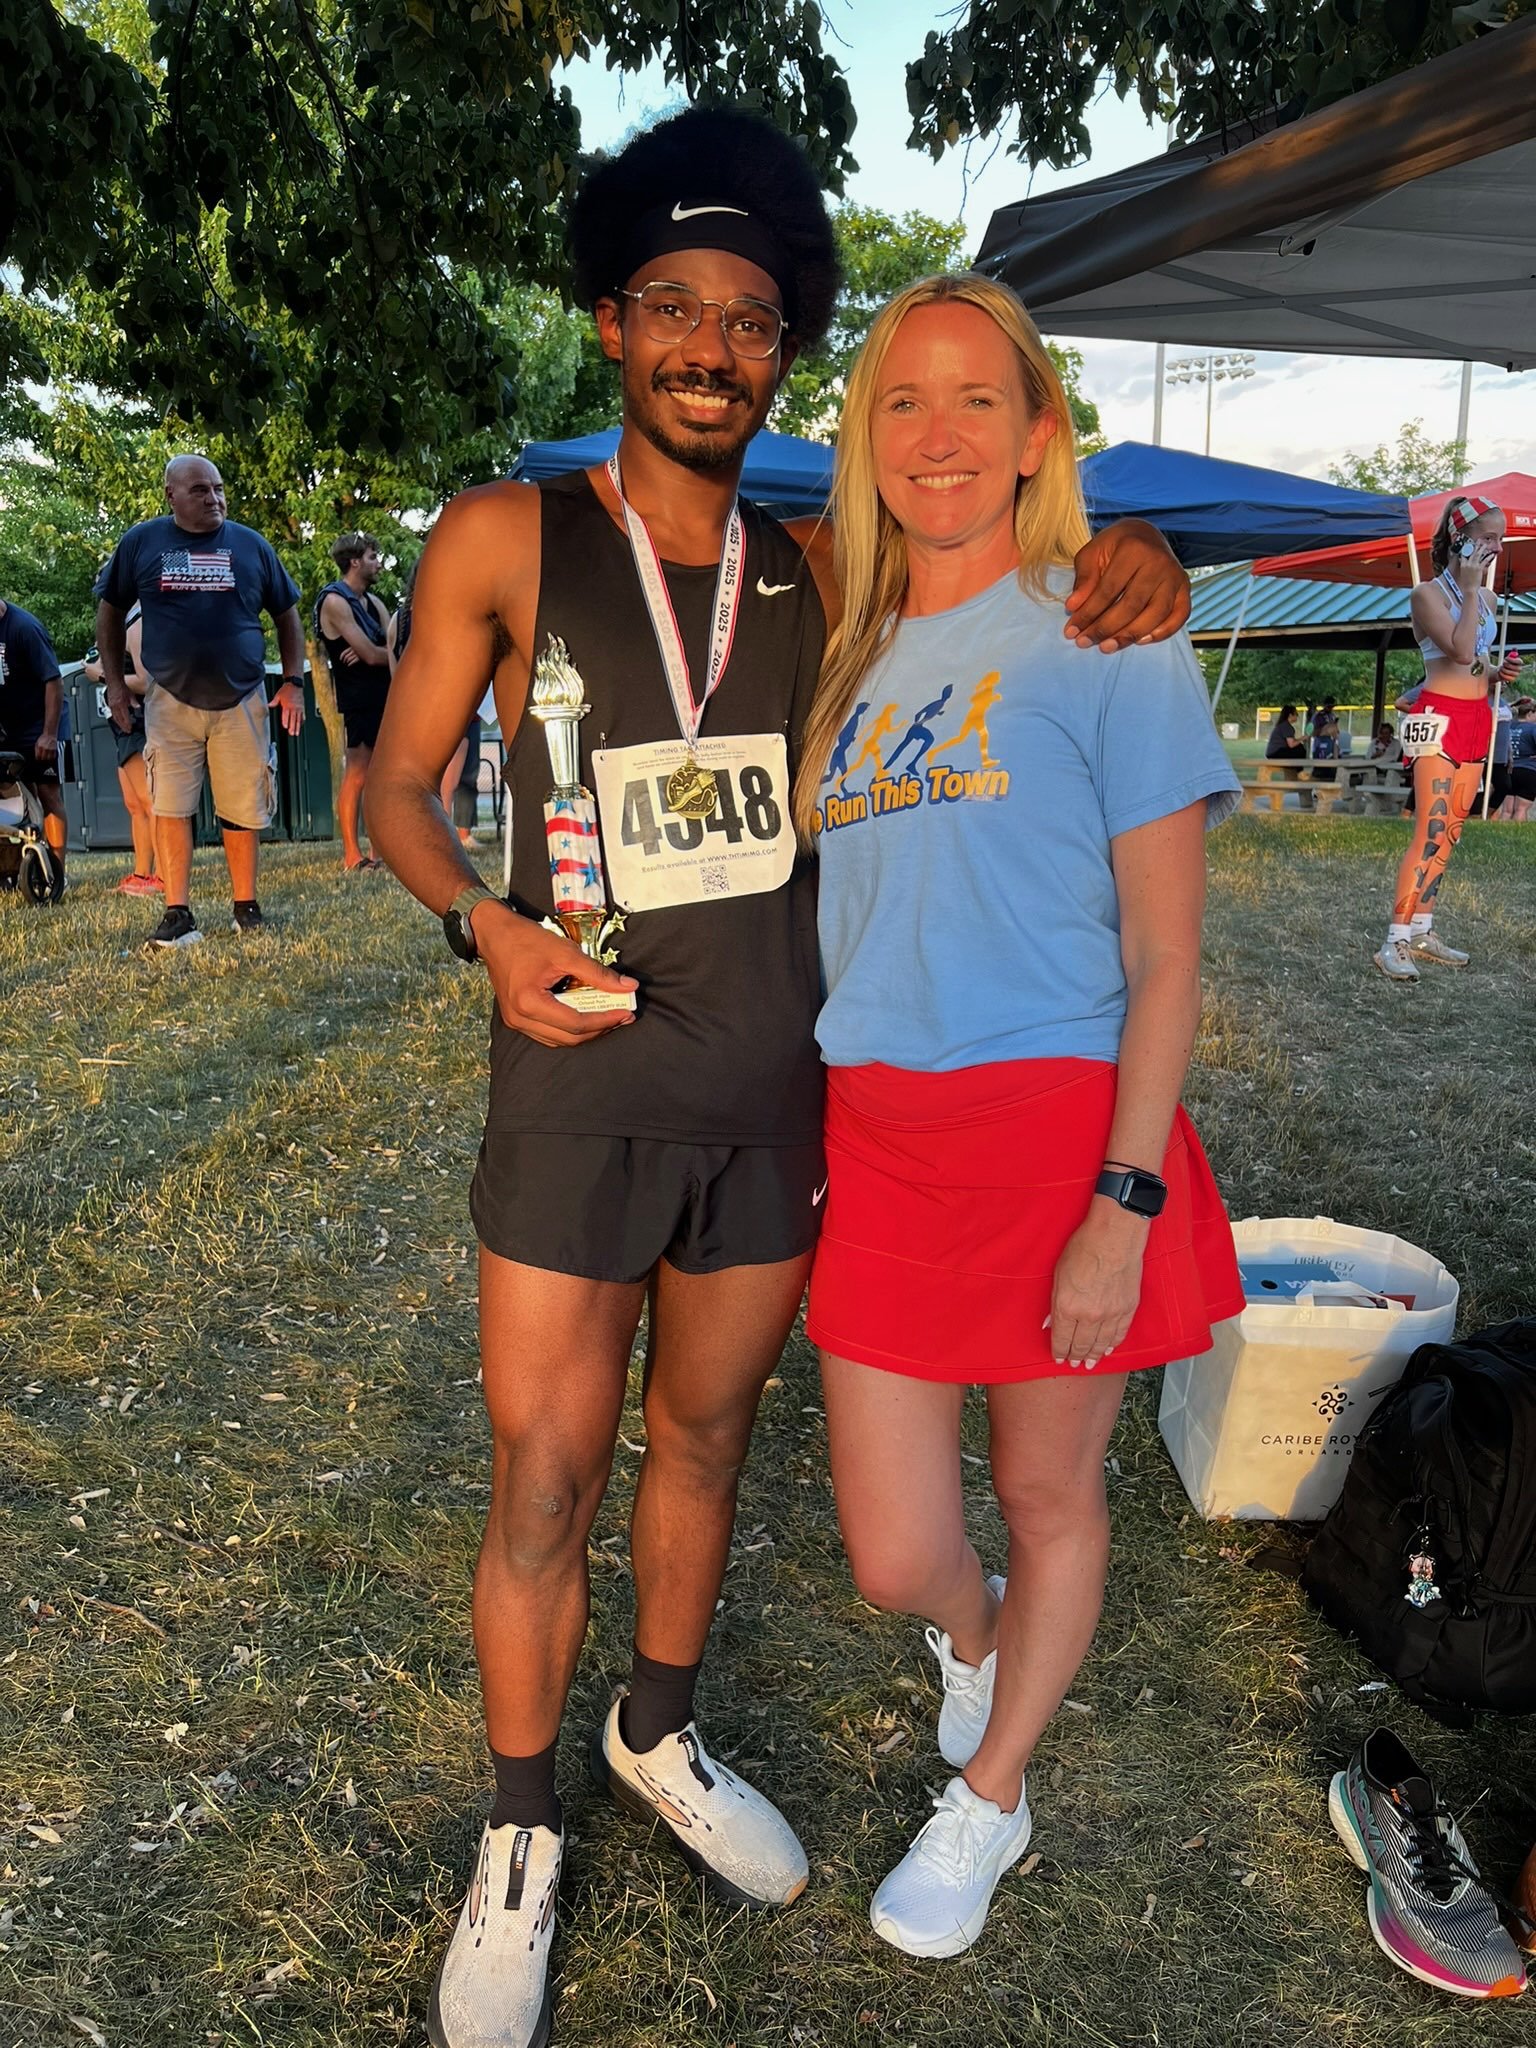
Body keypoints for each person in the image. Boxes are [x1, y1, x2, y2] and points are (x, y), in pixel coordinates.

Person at [364, 105, 1193, 2048]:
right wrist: (483, 930)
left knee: (711, 1451)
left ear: (773, 346)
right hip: (574, 1092)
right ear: (611, 323)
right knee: (548, 1471)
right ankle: (517, 1838)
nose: (710, 345)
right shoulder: (510, 533)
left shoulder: (823, 578)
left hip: (776, 1111)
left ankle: (657, 1732)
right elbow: (398, 785)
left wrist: (1133, 549)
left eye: (750, 317)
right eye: (673, 306)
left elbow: (1013, 576)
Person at [794, 273, 1244, 1959]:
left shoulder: (1110, 632)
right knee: (896, 1547)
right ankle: (978, 1638)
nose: (937, 434)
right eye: (902, 401)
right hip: (883, 1138)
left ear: (1037, 430)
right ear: (867, 437)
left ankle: (991, 1791)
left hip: (1061, 1133)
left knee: (1050, 1497)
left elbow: (1167, 949)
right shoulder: (845, 640)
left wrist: (1123, 1199)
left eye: (976, 399)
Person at [94, 454, 306, 948]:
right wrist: (116, 683)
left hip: (242, 698)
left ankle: (246, 907)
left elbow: (287, 614)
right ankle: (178, 913)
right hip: (169, 698)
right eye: (199, 490)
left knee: (241, 805)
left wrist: (292, 680)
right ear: (171, 495)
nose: (214, 498)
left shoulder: (251, 545)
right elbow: (109, 612)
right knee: (170, 806)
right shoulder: (141, 542)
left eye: (218, 488)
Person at [1374, 493, 1505, 982]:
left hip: (1476, 714)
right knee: (1428, 831)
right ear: (1461, 537)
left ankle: (1423, 928)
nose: (1496, 545)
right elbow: (1457, 648)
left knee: (1452, 829)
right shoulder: (1427, 594)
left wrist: (1496, 673)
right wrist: (1470, 591)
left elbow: (1473, 662)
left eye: (1499, 536)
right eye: (1487, 536)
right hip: (1439, 716)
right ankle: (1395, 941)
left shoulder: (1487, 597)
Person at [315, 532, 392, 870]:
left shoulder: (373, 603)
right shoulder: (334, 601)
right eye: (374, 557)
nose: (379, 564)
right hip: (358, 698)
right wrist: (376, 653)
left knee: (380, 777)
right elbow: (376, 655)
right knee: (358, 774)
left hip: (384, 696)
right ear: (355, 561)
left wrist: (378, 653)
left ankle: (378, 853)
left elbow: (392, 647)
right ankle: (351, 854)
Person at [83, 603, 162, 894]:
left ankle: (163, 876)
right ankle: (142, 874)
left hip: (138, 721)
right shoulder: (120, 622)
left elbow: (146, 680)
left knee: (152, 802)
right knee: (135, 804)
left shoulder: (138, 622)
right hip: (119, 725)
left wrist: (101, 675)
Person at [0, 594, 68, 888]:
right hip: (9, 727)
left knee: (48, 793)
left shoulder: (24, 627)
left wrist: (49, 734)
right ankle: (18, 868)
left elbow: (53, 680)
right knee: (18, 796)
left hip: (43, 722)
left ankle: (56, 874)